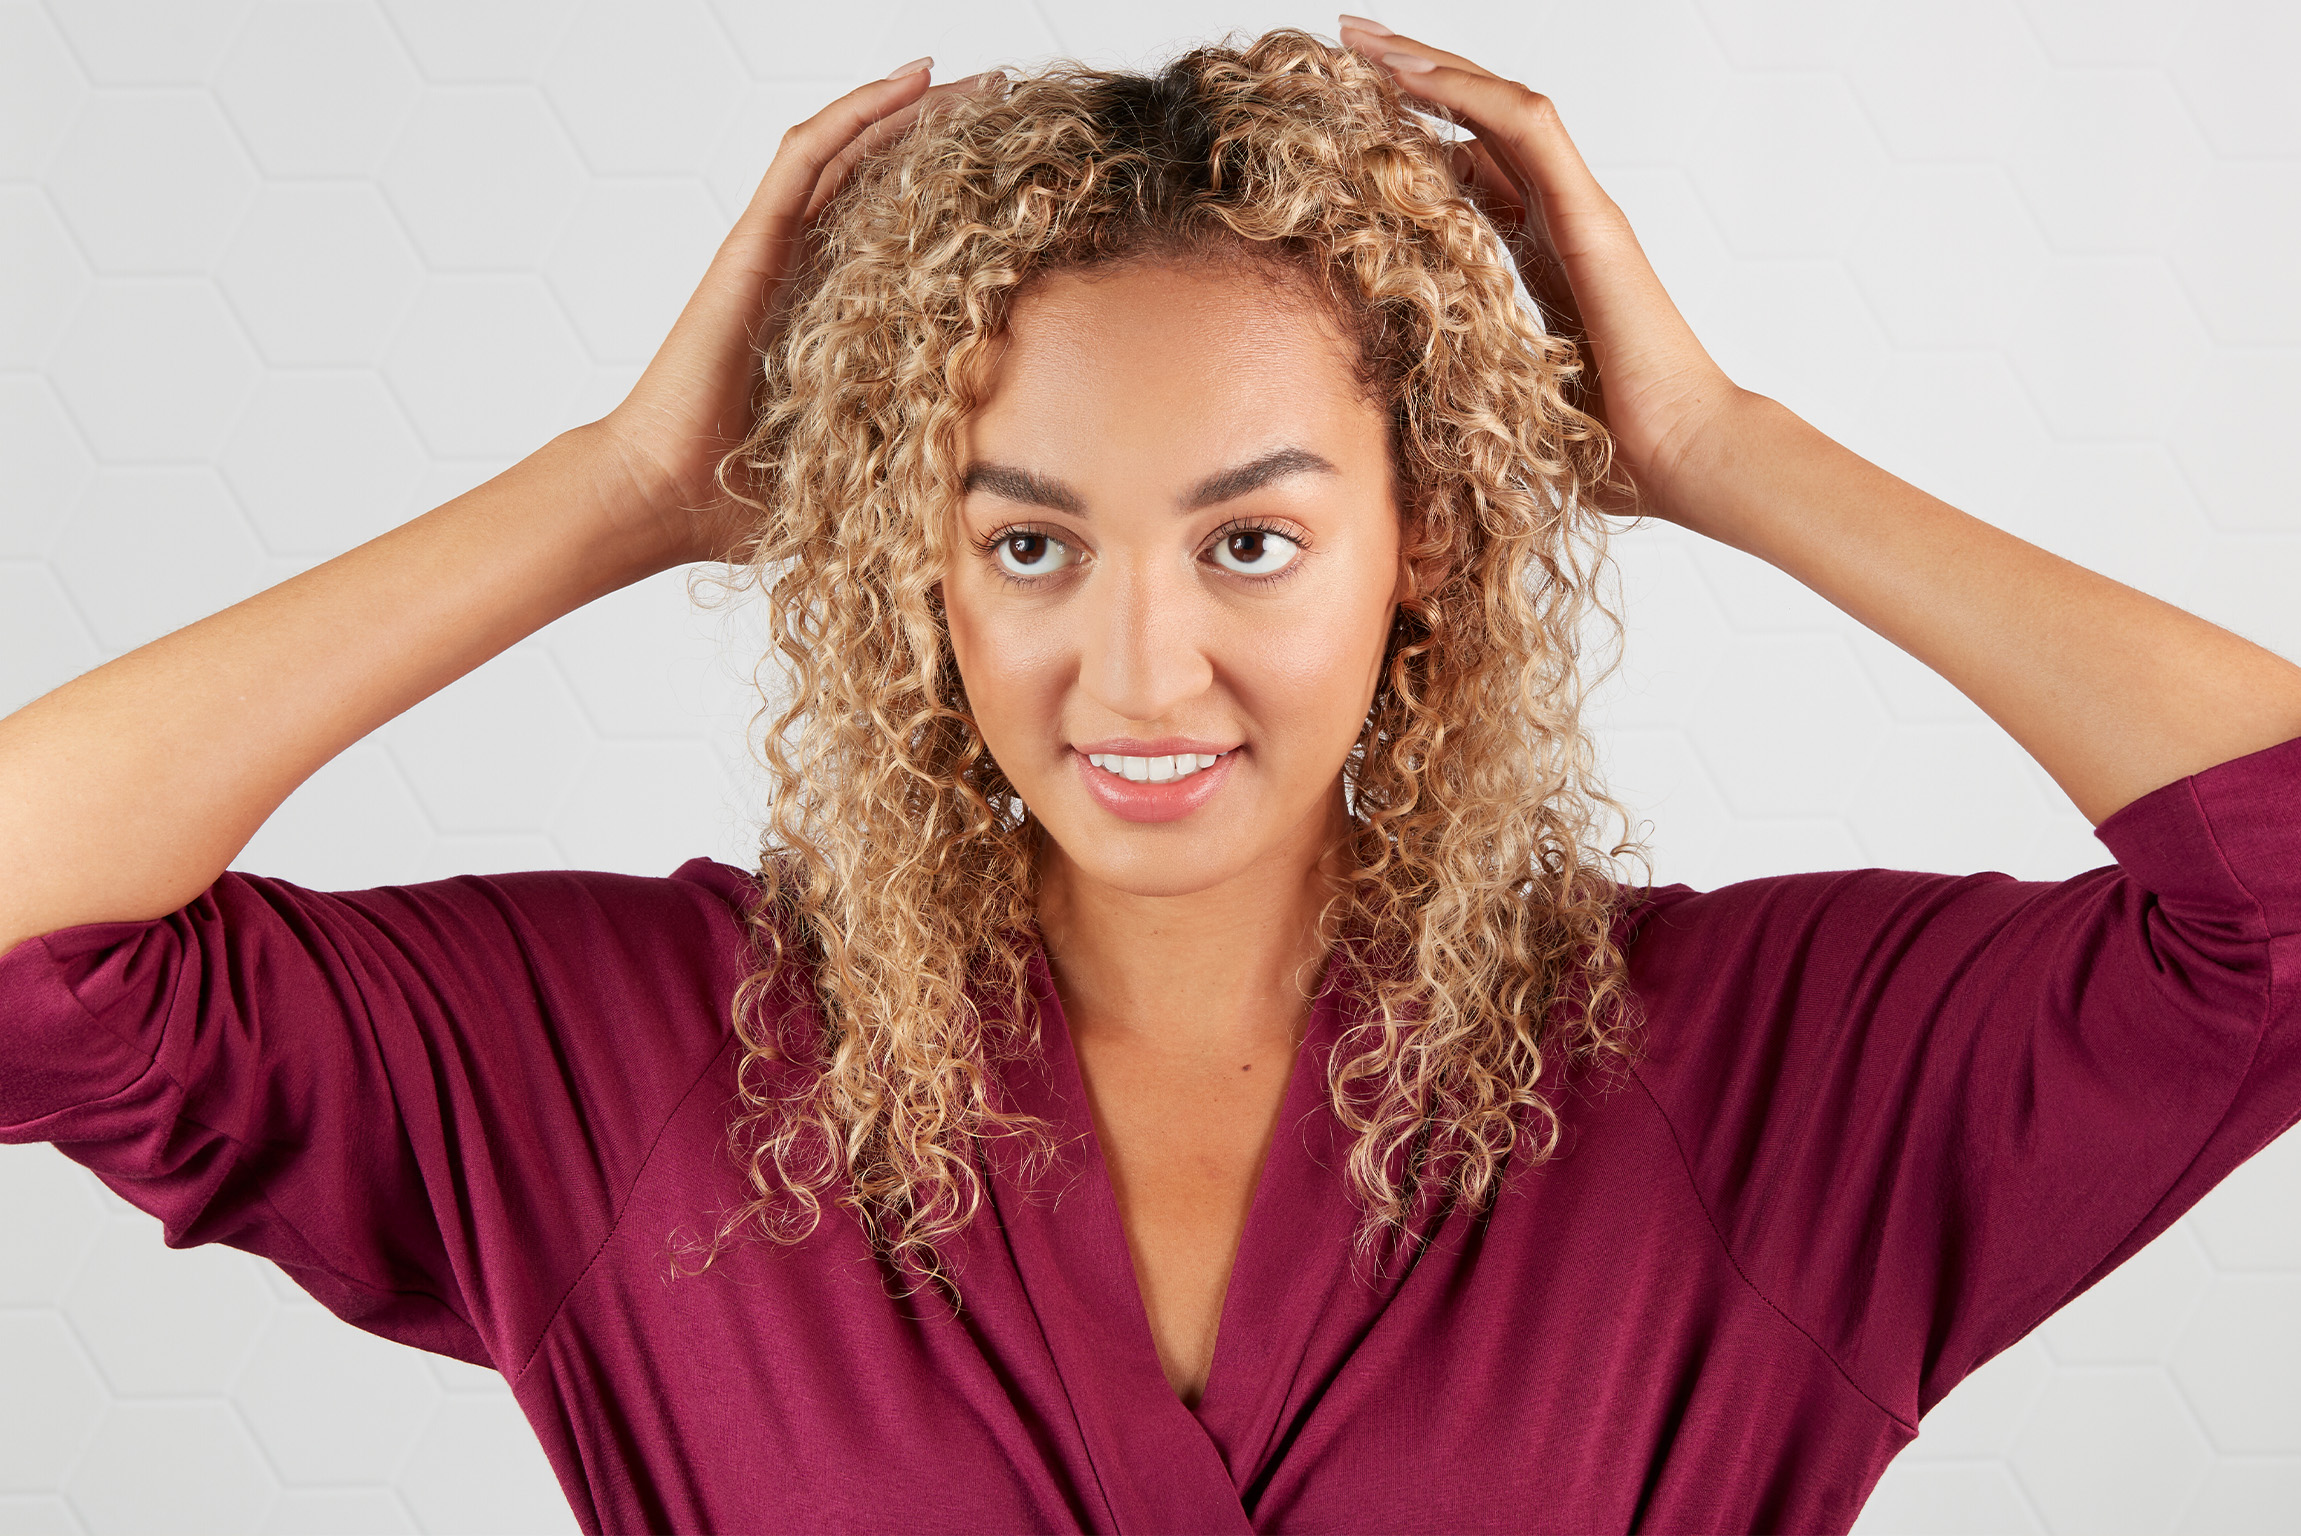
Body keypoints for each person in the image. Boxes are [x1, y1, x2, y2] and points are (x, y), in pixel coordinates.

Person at [3, 20, 2297, 1535]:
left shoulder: (1744, 1082)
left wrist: (1718, 448)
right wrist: (616, 485)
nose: (1136, 660)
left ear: (1428, 547)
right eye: (1023, 538)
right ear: (914, 563)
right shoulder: (646, 1070)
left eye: (1252, 538)